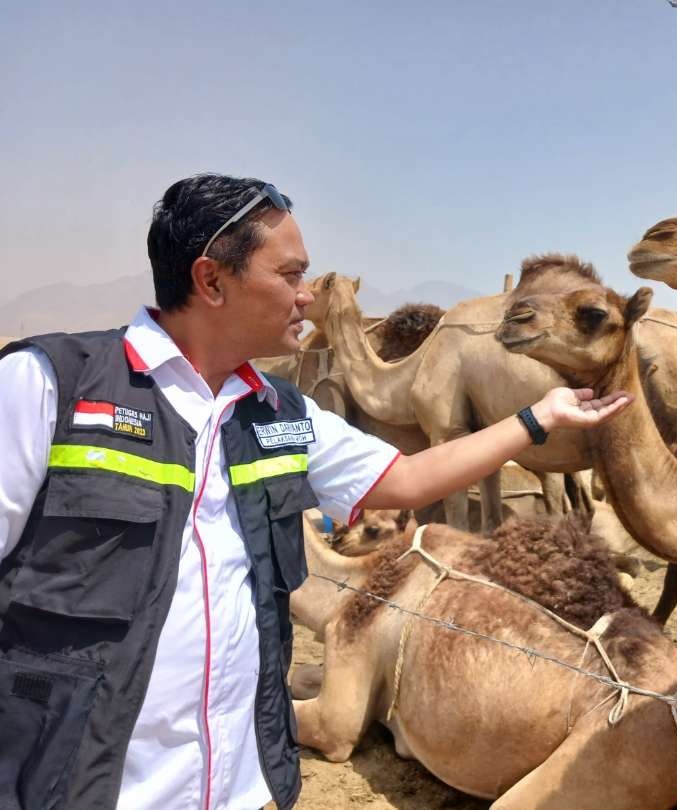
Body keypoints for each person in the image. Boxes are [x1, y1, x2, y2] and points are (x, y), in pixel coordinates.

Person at [0, 174, 630, 810]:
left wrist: (536, 419)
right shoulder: (49, 389)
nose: (306, 296)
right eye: (290, 275)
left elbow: (406, 479)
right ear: (211, 280)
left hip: (237, 787)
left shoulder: (280, 413)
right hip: (77, 784)